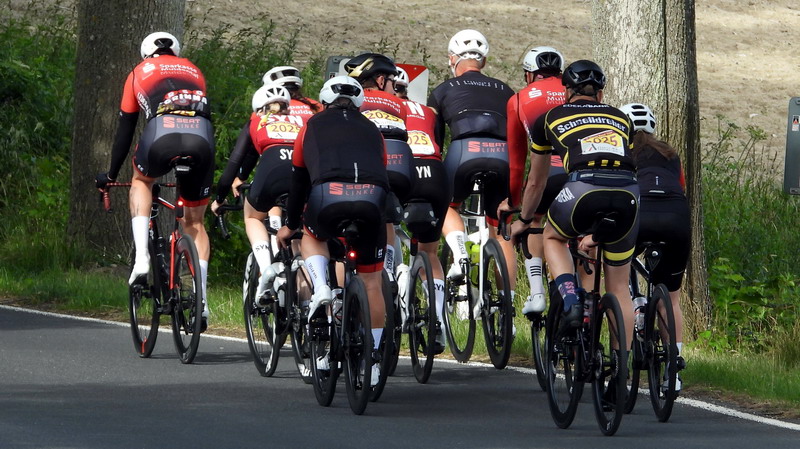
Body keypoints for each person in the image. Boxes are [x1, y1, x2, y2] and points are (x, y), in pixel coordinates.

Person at [510, 60, 638, 341]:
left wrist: (524, 220)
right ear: (600, 94)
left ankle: (571, 300)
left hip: (583, 186)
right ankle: (622, 363)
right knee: (619, 289)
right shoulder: (621, 118)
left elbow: (537, 182)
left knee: (552, 237)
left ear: (566, 91)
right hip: (628, 192)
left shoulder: (550, 117)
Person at [95, 31, 215, 330]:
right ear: (176, 51)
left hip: (162, 132)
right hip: (201, 137)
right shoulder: (195, 70)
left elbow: (126, 129)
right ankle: (201, 300)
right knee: (195, 223)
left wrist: (111, 174)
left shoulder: (138, 72)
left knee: (141, 181)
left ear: (146, 52)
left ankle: (141, 259)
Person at [276, 76, 388, 386]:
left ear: (324, 101)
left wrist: (290, 225)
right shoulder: (373, 128)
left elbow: (298, 181)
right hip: (372, 199)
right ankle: (372, 361)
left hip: (328, 197)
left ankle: (323, 289)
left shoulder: (310, 125)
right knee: (371, 282)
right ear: (358, 103)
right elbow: (382, 169)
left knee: (313, 236)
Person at [427, 29, 517, 313]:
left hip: (464, 151)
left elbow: (434, 142)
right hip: (502, 155)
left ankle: (459, 252)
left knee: (445, 204)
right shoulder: (505, 89)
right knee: (501, 230)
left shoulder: (442, 89)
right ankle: (507, 309)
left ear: (452, 59)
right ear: (484, 61)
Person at [211, 83, 305, 302]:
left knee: (253, 216)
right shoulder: (303, 121)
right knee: (303, 229)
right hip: (302, 176)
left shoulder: (256, 121)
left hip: (271, 173)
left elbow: (234, 165)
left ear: (258, 108)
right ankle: (308, 298)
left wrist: (219, 198)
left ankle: (266, 268)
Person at [620, 102, 688, 390]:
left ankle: (634, 303)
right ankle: (674, 370)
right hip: (676, 216)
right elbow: (681, 187)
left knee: (618, 266)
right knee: (671, 298)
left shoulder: (622, 152)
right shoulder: (670, 153)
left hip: (641, 212)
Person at [499, 46, 567, 317]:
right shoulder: (572, 91)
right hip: (579, 173)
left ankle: (537, 293)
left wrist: (514, 202)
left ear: (529, 75)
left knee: (534, 221)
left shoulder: (518, 99)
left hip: (545, 174)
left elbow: (517, 163)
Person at [343, 53, 413, 292]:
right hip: (399, 166)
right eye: (393, 82)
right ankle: (389, 271)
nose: (394, 87)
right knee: (388, 217)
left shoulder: (352, 100)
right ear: (381, 80)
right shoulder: (399, 104)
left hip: (362, 167)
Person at [394, 67, 449, 352]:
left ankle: (395, 280)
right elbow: (438, 142)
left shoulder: (381, 107)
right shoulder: (427, 111)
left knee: (383, 230)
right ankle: (437, 318)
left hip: (402, 170)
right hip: (435, 174)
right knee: (429, 251)